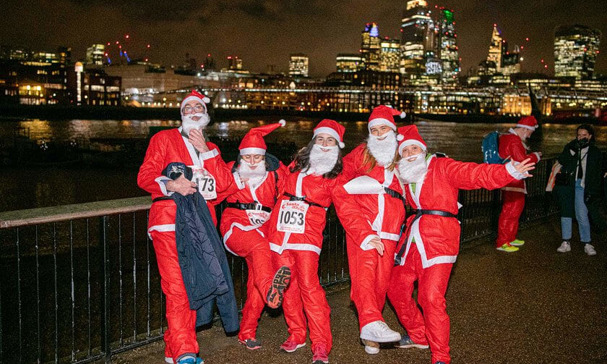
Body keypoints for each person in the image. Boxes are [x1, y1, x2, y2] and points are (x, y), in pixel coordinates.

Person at [388, 125, 535, 364]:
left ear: (423, 150)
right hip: (411, 240)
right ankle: (418, 335)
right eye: (405, 150)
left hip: (439, 239)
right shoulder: (402, 173)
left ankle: (440, 357)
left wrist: (509, 171)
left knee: (431, 299)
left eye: (414, 148)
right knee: (395, 288)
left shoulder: (442, 166)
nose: (410, 153)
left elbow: (474, 174)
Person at [137, 90, 235, 364]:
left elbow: (225, 186)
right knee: (178, 286)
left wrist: (207, 152)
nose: (193, 111)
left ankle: (174, 347)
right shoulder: (164, 139)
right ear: (181, 114)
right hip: (169, 222)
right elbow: (144, 176)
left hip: (201, 229)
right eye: (187, 108)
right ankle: (185, 353)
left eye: (198, 107)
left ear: (206, 114)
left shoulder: (212, 147)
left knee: (194, 285)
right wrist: (171, 184)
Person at [267, 119, 346, 364]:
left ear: (337, 146)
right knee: (288, 287)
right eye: (320, 139)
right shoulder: (296, 165)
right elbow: (278, 184)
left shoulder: (336, 175)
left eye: (330, 140)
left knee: (310, 288)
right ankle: (297, 334)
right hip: (280, 232)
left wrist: (365, 234)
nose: (324, 144)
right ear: (313, 141)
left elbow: (347, 206)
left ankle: (321, 343)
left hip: (308, 234)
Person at [333, 105, 406, 354]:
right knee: (363, 274)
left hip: (391, 228)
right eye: (373, 129)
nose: (378, 133)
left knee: (380, 284)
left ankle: (370, 335)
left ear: (394, 130)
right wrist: (361, 230)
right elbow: (338, 186)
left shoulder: (405, 154)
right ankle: (373, 323)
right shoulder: (360, 154)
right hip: (363, 223)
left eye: (383, 128)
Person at [217, 121, 292, 349]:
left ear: (264, 157)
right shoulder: (230, 170)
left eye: (256, 158)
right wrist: (235, 182)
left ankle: (247, 331)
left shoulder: (275, 173)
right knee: (261, 252)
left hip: (265, 227)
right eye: (246, 157)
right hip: (235, 225)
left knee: (256, 281)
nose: (251, 162)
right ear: (240, 158)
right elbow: (215, 193)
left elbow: (292, 187)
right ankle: (271, 289)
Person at [555, 124, 605, 255]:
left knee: (581, 214)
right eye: (579, 135)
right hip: (567, 184)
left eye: (584, 135)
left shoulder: (595, 152)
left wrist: (593, 191)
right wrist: (572, 151)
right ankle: (566, 241)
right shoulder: (571, 147)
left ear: (590, 136)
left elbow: (598, 172)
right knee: (566, 213)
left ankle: (587, 242)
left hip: (582, 185)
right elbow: (561, 160)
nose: (581, 137)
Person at [495, 115, 542, 252]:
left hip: (510, 179)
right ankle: (503, 242)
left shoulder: (507, 138)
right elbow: (523, 161)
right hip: (513, 180)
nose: (529, 136)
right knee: (511, 211)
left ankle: (509, 238)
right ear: (524, 129)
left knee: (513, 210)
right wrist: (536, 156)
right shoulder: (514, 141)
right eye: (529, 133)